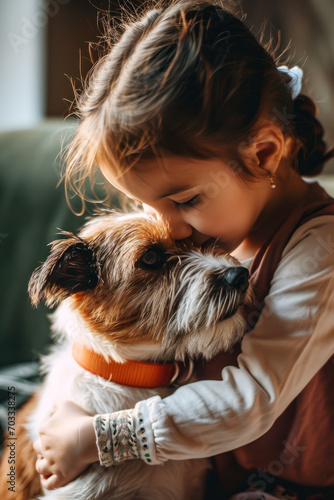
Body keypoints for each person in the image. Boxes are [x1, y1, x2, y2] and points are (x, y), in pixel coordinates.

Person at [33, 1, 334, 498]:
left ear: (263, 154)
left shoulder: (318, 251)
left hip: (287, 484)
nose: (168, 229)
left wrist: (96, 437)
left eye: (185, 200)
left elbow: (249, 401)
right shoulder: (218, 229)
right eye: (144, 204)